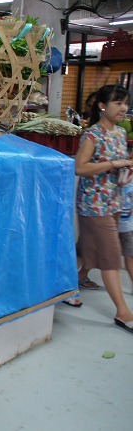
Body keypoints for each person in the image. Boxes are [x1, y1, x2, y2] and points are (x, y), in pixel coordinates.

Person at [75, 84, 133, 335]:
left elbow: (120, 162)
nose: (124, 108)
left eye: (126, 103)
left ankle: (65, 286)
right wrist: (113, 163)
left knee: (84, 249)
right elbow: (80, 168)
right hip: (94, 204)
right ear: (102, 106)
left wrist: (124, 170)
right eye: (118, 103)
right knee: (111, 256)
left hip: (115, 201)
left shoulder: (120, 133)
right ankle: (123, 311)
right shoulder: (92, 135)